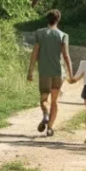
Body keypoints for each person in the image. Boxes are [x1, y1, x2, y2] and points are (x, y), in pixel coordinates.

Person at [27, 9, 72, 137]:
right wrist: (71, 73)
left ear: (47, 19)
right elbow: (66, 56)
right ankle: (50, 128)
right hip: (58, 72)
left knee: (44, 99)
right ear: (58, 20)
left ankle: (45, 115)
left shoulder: (40, 33)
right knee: (55, 101)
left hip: (44, 72)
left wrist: (30, 71)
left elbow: (35, 53)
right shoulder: (63, 35)